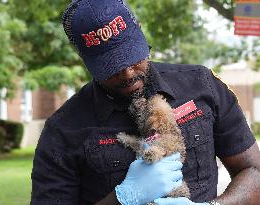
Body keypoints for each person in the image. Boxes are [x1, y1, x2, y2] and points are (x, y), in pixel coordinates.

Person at [30, 0, 260, 204]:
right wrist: (122, 198)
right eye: (112, 67)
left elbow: (253, 170)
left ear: (139, 30)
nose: (128, 74)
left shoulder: (201, 85)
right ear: (85, 59)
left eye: (132, 57)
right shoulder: (63, 131)